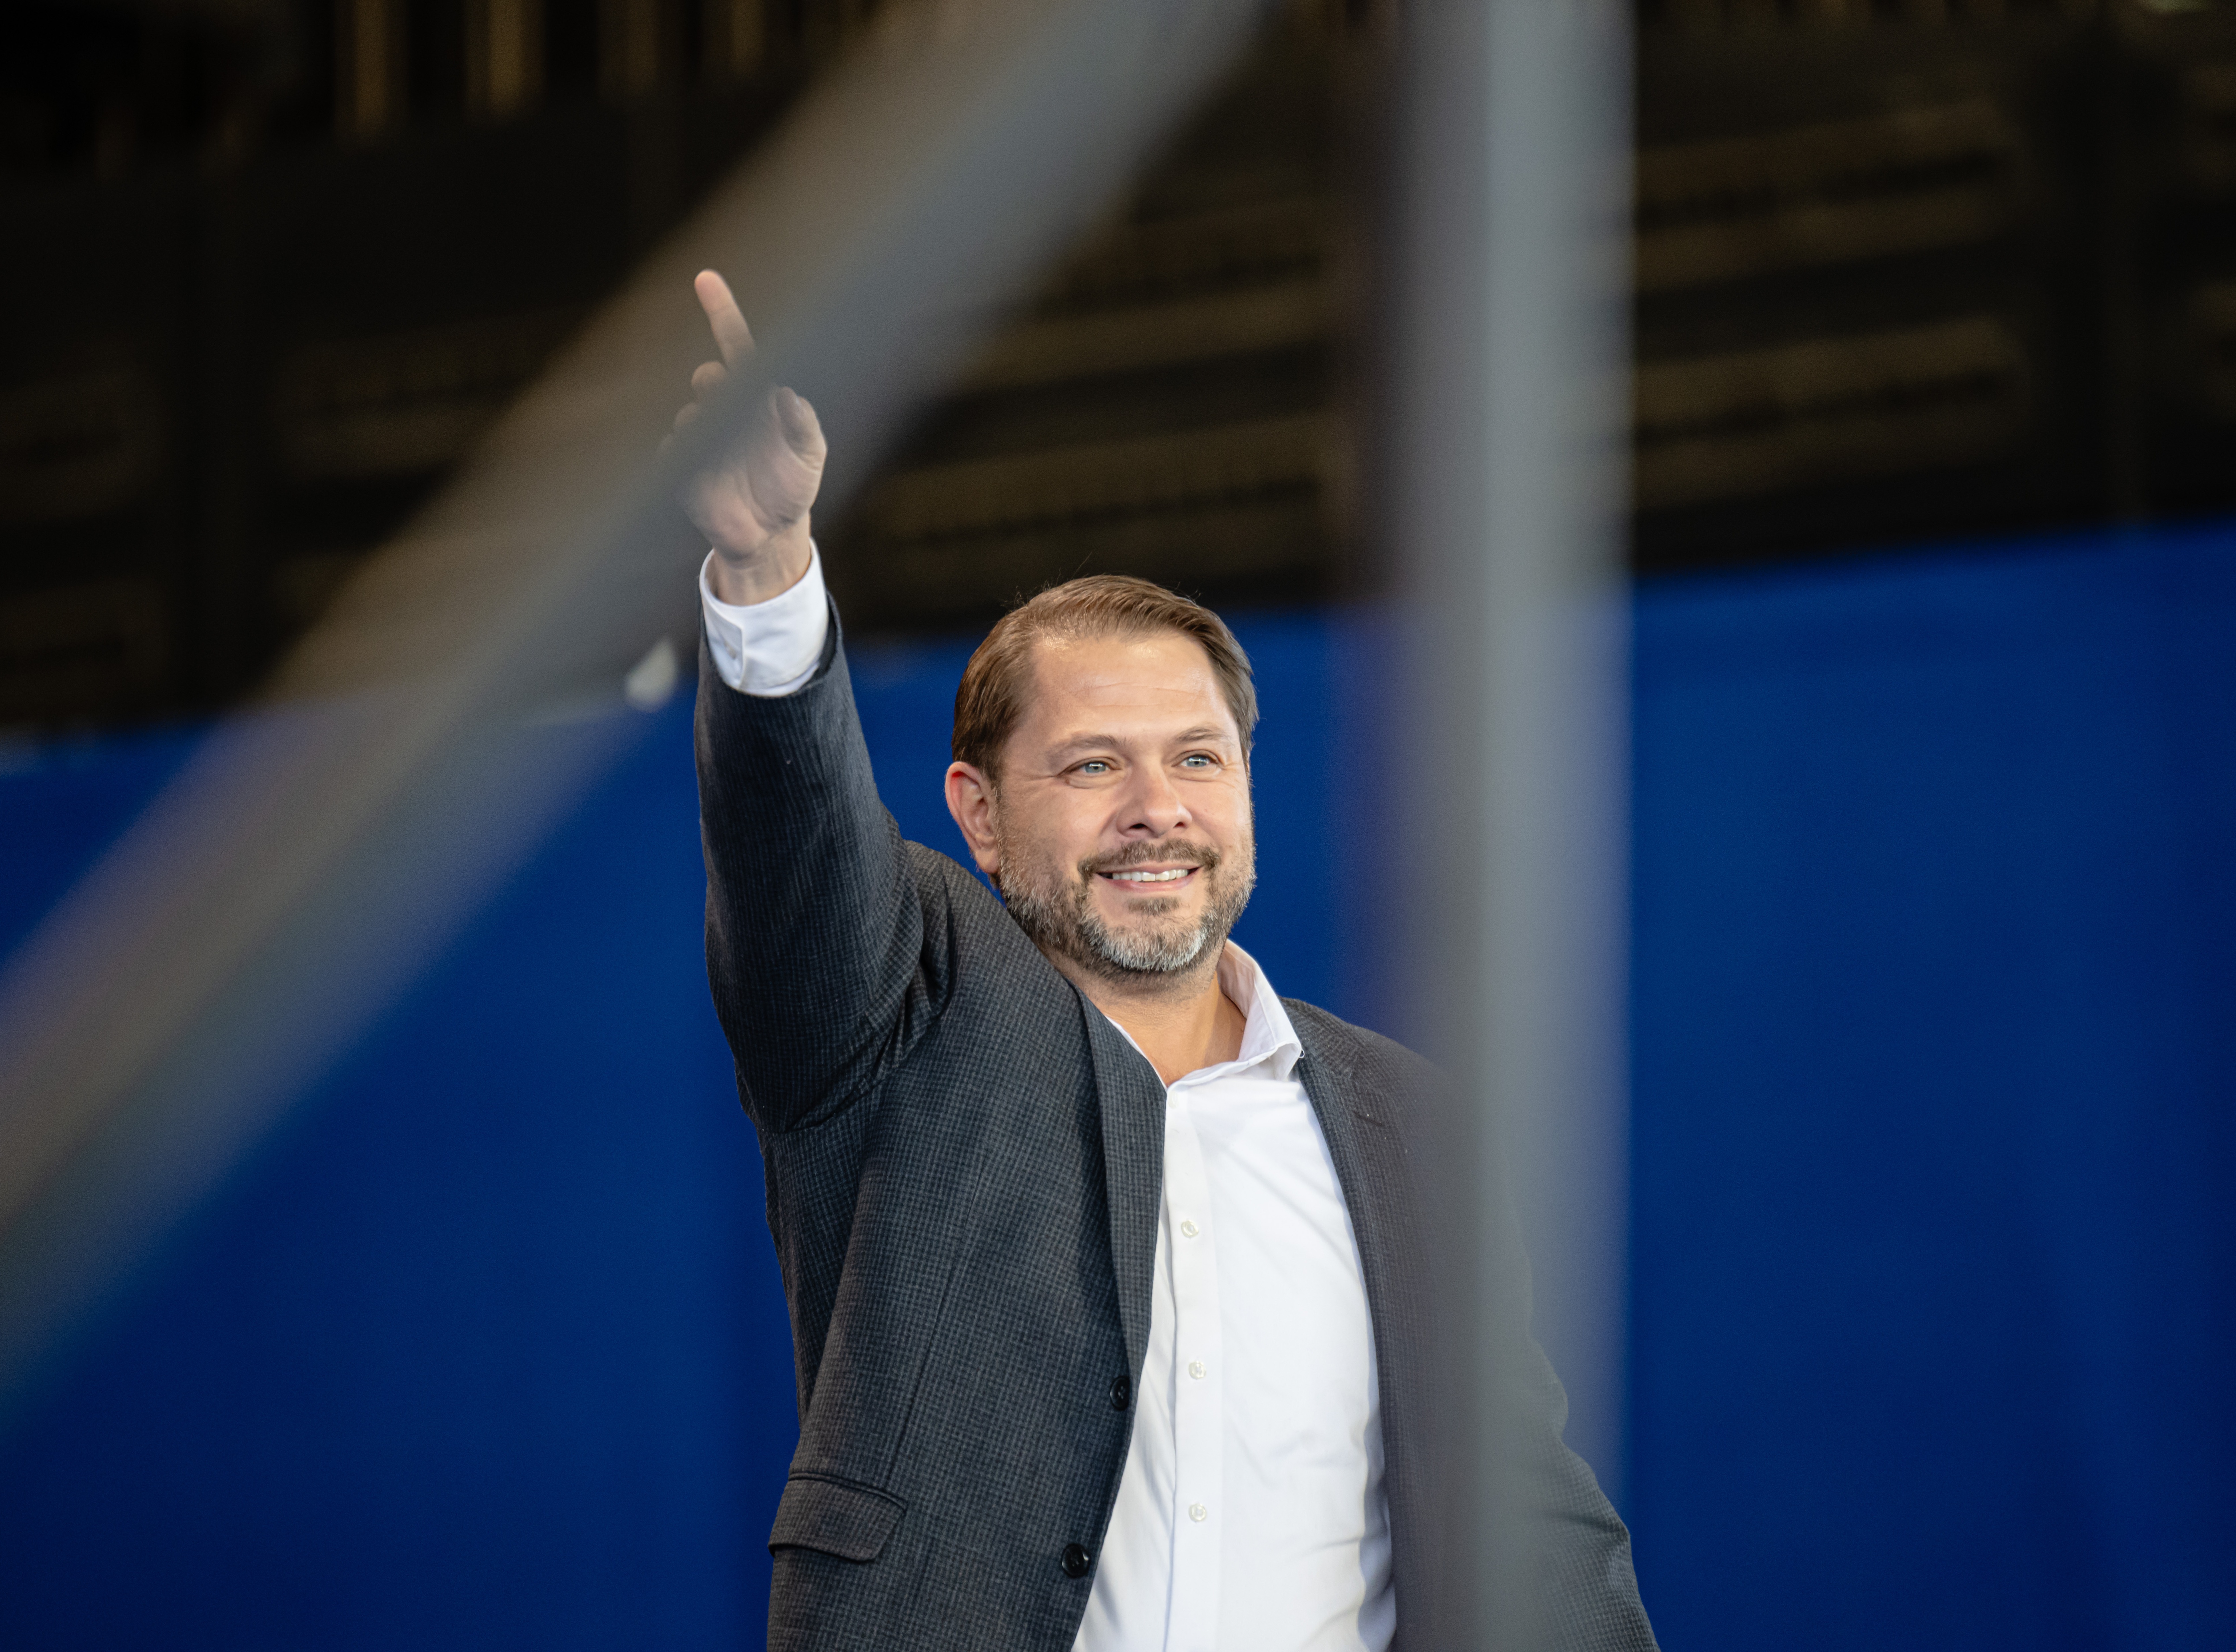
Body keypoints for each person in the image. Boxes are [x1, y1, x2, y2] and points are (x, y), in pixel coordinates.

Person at [679, 268, 1654, 1651]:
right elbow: (802, 859)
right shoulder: (903, 1012)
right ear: (978, 815)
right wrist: (767, 575)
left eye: (1197, 758)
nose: (1157, 810)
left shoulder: (1411, 1120)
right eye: (1092, 766)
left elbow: (1530, 1528)